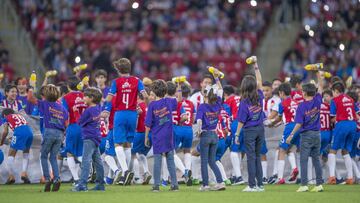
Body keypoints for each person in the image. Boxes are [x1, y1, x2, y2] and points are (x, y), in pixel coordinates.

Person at [102, 58, 148, 185]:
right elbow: (145, 95)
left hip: (120, 114)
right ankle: (127, 175)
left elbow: (110, 98)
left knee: (118, 144)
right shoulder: (137, 80)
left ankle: (125, 171)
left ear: (118, 69)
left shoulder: (116, 82)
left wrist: (104, 99)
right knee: (128, 144)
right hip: (133, 115)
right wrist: (146, 105)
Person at [286, 72, 325, 192]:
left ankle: (304, 185)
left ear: (305, 93)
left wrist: (291, 135)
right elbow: (321, 87)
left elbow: (299, 123)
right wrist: (319, 74)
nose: (301, 93)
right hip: (317, 134)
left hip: (306, 135)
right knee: (316, 159)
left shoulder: (302, 106)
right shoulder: (318, 100)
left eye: (303, 91)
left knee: (303, 159)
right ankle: (319, 184)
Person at [28, 85, 68, 192]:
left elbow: (30, 99)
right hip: (60, 133)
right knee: (53, 157)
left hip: (49, 131)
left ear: (44, 95)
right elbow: (66, 122)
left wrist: (31, 87)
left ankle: (47, 179)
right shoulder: (62, 107)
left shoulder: (45, 104)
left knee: (44, 156)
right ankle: (57, 178)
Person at [234, 57, 265, 192]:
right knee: (257, 156)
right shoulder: (259, 95)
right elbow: (259, 81)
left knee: (251, 157)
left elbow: (241, 120)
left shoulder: (244, 101)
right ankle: (260, 185)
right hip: (260, 129)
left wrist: (236, 134)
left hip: (250, 130)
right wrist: (256, 65)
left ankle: (252, 185)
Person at [145, 79, 179, 192]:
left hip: (157, 136)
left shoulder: (152, 105)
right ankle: (174, 185)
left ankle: (156, 185)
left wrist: (146, 137)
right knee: (170, 160)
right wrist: (178, 86)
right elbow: (178, 99)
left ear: (154, 91)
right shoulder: (169, 101)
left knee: (158, 160)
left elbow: (148, 124)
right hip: (169, 134)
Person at [195, 69, 226, 192]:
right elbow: (221, 90)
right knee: (212, 161)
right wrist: (217, 78)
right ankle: (220, 182)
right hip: (215, 135)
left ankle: (205, 185)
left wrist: (198, 131)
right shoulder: (218, 104)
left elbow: (198, 121)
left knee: (204, 161)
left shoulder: (202, 107)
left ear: (205, 94)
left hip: (206, 134)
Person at [72, 87, 105, 191]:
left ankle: (82, 184)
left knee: (86, 161)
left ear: (91, 98)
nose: (83, 98)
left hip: (89, 137)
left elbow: (80, 122)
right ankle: (100, 184)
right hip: (96, 136)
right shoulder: (98, 107)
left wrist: (75, 112)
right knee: (98, 161)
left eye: (85, 96)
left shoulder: (88, 110)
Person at [327, 82, 358, 185]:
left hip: (342, 125)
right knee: (345, 151)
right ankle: (350, 178)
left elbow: (332, 118)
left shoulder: (335, 100)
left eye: (333, 92)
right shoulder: (351, 99)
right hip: (353, 125)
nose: (333, 94)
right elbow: (357, 114)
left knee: (332, 150)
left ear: (336, 91)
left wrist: (334, 121)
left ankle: (332, 177)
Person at [269, 82, 299, 184]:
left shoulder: (282, 103)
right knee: (289, 149)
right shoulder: (296, 102)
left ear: (281, 93)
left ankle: (280, 178)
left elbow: (279, 117)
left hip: (289, 127)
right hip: (298, 127)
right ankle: (294, 168)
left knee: (281, 150)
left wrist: (271, 123)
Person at [62, 76, 87, 184]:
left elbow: (64, 114)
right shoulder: (84, 95)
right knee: (81, 153)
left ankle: (76, 179)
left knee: (70, 153)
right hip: (85, 127)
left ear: (68, 86)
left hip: (73, 126)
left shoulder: (66, 97)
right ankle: (86, 175)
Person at [0, 108, 33, 184]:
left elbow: (5, 131)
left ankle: (11, 176)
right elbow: (22, 127)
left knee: (11, 154)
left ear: (4, 115)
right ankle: (24, 173)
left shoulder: (6, 117)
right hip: (29, 132)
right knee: (26, 153)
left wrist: (1, 142)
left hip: (19, 132)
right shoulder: (19, 115)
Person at [223, 85, 245, 185]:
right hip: (246, 123)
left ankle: (239, 177)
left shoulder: (228, 100)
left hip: (236, 124)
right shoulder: (240, 97)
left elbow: (226, 115)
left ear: (225, 94)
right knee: (239, 150)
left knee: (233, 150)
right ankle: (236, 175)